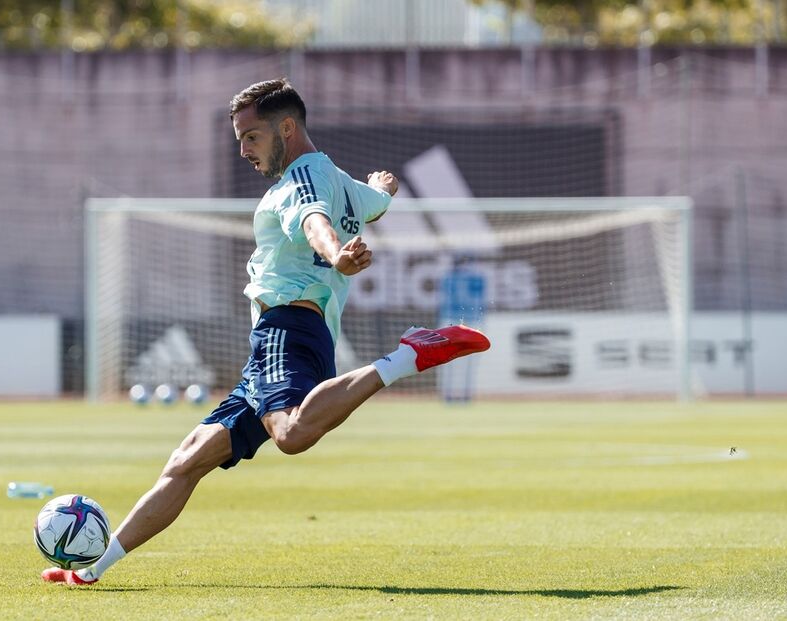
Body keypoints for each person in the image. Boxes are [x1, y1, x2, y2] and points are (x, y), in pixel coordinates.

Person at [42, 78, 490, 586]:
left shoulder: (302, 179)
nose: (243, 150)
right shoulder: (338, 179)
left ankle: (409, 356)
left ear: (286, 127)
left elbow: (314, 222)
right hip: (277, 344)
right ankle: (91, 571)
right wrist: (384, 189)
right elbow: (371, 203)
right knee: (186, 461)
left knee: (292, 435)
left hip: (288, 328)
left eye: (251, 137)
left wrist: (334, 254)